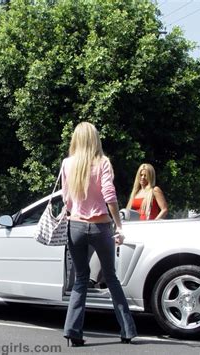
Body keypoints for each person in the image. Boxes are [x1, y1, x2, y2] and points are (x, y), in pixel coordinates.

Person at [61, 122, 137, 347]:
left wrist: (74, 211)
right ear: (95, 139)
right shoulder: (103, 162)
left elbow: (67, 198)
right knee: (111, 278)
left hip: (74, 226)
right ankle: (127, 331)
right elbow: (110, 196)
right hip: (100, 226)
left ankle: (73, 333)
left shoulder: (67, 164)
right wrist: (119, 225)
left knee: (81, 280)